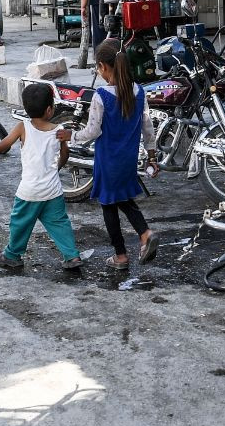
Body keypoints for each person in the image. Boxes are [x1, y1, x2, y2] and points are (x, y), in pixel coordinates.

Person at [61, 39, 160, 270]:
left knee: (108, 205)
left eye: (97, 67)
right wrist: (152, 156)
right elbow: (148, 127)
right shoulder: (139, 91)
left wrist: (71, 136)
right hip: (127, 159)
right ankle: (144, 234)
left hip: (107, 160)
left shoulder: (101, 96)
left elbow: (93, 131)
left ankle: (121, 255)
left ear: (104, 67)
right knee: (124, 199)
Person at [0, 82, 86, 270]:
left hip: (29, 192)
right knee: (59, 223)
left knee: (20, 223)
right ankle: (71, 256)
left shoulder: (23, 127)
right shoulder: (59, 130)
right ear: (49, 110)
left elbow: (1, 147)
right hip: (53, 190)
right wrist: (55, 169)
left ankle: (12, 254)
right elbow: (65, 155)